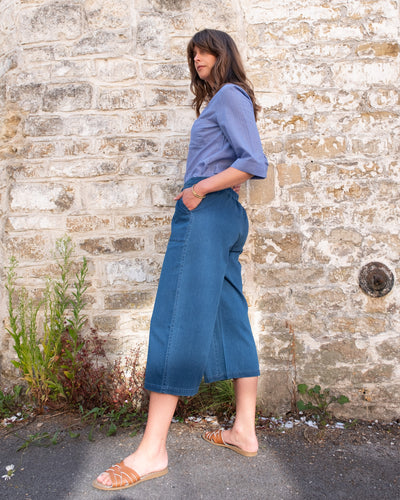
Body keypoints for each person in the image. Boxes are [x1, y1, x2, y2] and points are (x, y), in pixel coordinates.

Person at [93, 28, 268, 491]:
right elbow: (242, 160)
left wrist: (198, 189)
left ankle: (152, 450)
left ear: (223, 53)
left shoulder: (228, 95)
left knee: (177, 317)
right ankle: (244, 430)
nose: (197, 58)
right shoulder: (231, 99)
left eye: (204, 51)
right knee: (231, 317)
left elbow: (253, 162)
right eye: (193, 53)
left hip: (206, 214)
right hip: (225, 217)